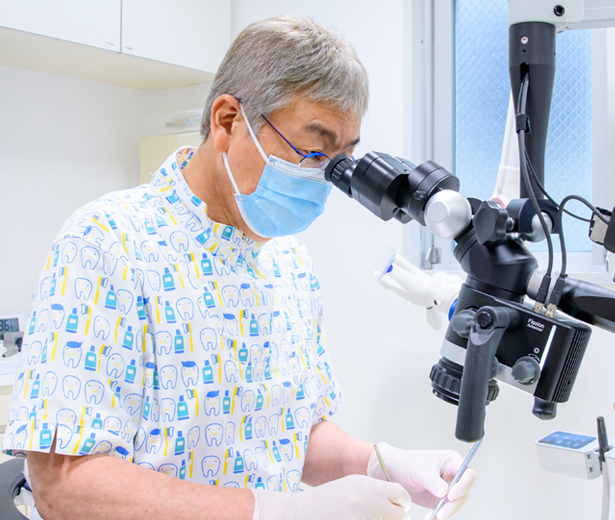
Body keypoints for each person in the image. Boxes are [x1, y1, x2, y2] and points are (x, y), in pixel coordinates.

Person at [3, 15, 476, 520]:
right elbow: (63, 484)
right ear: (228, 120)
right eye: (313, 152)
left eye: (340, 160)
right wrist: (276, 511)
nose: (324, 180)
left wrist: (381, 464)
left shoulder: (288, 261)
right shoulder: (108, 242)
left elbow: (289, 432)